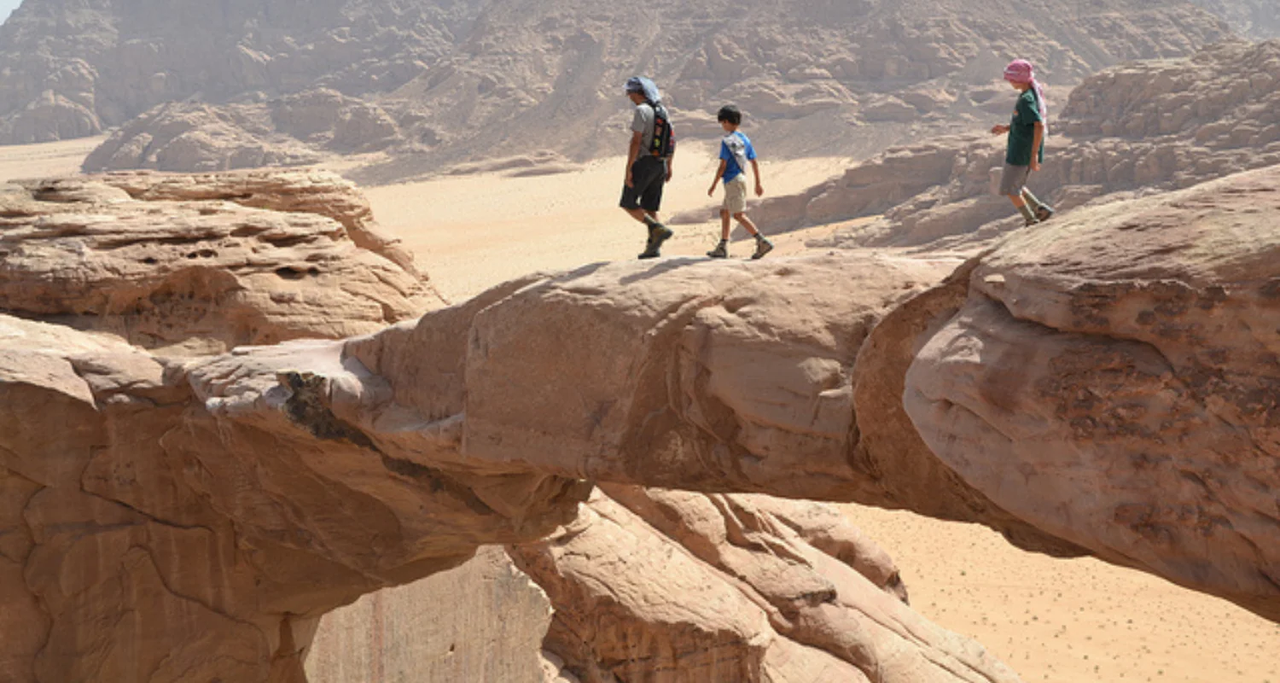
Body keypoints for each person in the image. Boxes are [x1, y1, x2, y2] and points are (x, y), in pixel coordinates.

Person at [990, 59, 1055, 227]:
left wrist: (1033, 155)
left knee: (1011, 190)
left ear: (1019, 79)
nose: (1009, 82)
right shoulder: (1030, 94)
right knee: (1017, 185)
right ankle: (1040, 209)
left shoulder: (1026, 99)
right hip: (1022, 149)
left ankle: (1030, 219)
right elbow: (1025, 122)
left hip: (1021, 151)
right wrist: (1007, 128)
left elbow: (1038, 124)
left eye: (1011, 78)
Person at [705, 105, 773, 259]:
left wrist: (714, 184)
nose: (722, 126)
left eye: (722, 123)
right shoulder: (745, 139)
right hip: (740, 179)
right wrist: (757, 183)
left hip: (731, 181)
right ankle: (722, 246)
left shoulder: (727, 141)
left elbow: (722, 166)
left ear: (727, 121)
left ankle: (762, 241)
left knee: (738, 215)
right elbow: (754, 162)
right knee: (725, 212)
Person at [620, 76, 675, 259]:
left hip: (643, 162)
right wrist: (669, 164)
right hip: (660, 164)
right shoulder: (663, 111)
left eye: (631, 92)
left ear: (639, 93)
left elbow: (636, 140)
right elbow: (672, 139)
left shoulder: (642, 110)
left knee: (628, 203)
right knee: (650, 207)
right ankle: (653, 249)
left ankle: (656, 227)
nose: (629, 97)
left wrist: (629, 168)